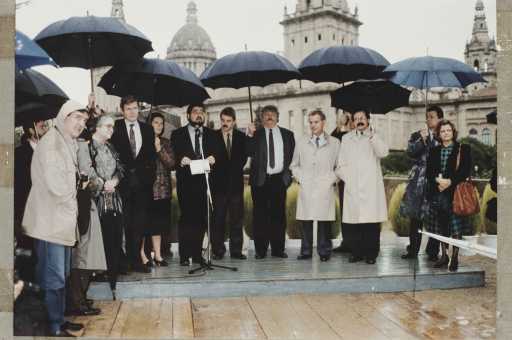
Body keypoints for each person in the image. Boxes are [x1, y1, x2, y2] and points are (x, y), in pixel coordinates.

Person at [22, 100, 89, 337]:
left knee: (62, 274)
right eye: (76, 118)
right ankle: (53, 326)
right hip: (49, 223)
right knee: (54, 275)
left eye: (84, 120)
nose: (81, 124)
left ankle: (59, 319)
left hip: (60, 222)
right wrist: (75, 189)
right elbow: (56, 186)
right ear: (63, 117)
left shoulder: (64, 141)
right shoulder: (52, 143)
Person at [77, 115, 125, 300]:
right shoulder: (86, 147)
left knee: (114, 241)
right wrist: (102, 184)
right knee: (97, 244)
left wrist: (114, 181)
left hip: (114, 201)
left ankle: (112, 284)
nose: (111, 130)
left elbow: (121, 168)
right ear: (96, 128)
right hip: (94, 203)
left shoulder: (110, 147)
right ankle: (88, 290)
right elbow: (86, 172)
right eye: (107, 126)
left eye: (112, 127)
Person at [171, 104, 222, 266]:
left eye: (201, 112)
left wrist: (214, 158)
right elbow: (173, 155)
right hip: (186, 183)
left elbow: (219, 154)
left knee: (201, 219)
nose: (199, 115)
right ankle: (185, 255)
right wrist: (180, 159)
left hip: (205, 183)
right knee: (187, 218)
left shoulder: (212, 134)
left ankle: (197, 254)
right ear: (188, 115)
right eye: (195, 112)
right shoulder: (177, 134)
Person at [335, 109, 389, 264]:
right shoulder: (346, 138)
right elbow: (341, 163)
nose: (359, 121)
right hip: (353, 186)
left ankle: (371, 254)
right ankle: (356, 252)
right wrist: (348, 179)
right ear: (352, 121)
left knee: (371, 223)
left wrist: (372, 136)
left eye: (362, 118)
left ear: (368, 120)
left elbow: (383, 153)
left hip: (371, 187)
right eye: (356, 118)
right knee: (354, 223)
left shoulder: (375, 136)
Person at [110, 95, 157, 273]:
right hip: (121, 185)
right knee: (123, 224)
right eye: (128, 108)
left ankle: (137, 261)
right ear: (122, 110)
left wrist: (149, 178)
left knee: (139, 225)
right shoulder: (115, 128)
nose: (132, 112)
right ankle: (123, 263)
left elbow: (151, 157)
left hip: (142, 186)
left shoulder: (147, 129)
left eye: (135, 108)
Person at [290, 110, 340, 262]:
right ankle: (306, 251)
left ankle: (324, 251)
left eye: (316, 122)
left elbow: (341, 167)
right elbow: (294, 165)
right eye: (310, 122)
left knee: (324, 221)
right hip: (307, 186)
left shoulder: (335, 143)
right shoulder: (301, 142)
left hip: (325, 187)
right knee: (306, 220)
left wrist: (330, 180)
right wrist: (301, 178)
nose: (313, 125)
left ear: (323, 123)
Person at [246, 105, 295, 259]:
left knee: (278, 215)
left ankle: (278, 250)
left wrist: (287, 177)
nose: (269, 116)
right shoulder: (256, 134)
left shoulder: (288, 135)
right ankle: (260, 250)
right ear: (262, 118)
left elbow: (293, 157)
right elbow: (248, 152)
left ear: (277, 117)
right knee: (260, 216)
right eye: (266, 114)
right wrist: (249, 135)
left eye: (272, 114)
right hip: (260, 181)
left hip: (279, 180)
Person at [426, 120, 472, 272]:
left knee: (455, 227)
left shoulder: (463, 149)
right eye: (443, 131)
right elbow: (429, 172)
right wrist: (438, 181)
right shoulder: (433, 151)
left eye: (448, 130)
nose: (446, 133)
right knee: (441, 226)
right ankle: (444, 255)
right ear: (439, 134)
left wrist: (450, 181)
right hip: (438, 193)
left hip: (455, 194)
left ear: (453, 132)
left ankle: (455, 257)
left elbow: (465, 171)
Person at [400, 106, 443, 260]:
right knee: (415, 217)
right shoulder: (417, 135)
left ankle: (432, 251)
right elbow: (410, 152)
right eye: (427, 116)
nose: (428, 119)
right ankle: (413, 249)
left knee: (434, 218)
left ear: (439, 119)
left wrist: (431, 140)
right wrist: (422, 140)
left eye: (431, 116)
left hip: (435, 182)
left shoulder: (443, 135)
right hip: (417, 182)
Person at [211, 107, 248, 260]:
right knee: (218, 219)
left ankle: (236, 251)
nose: (225, 124)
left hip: (235, 186)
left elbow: (244, 158)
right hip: (218, 186)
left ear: (234, 121)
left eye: (228, 121)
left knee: (236, 220)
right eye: (223, 121)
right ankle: (218, 251)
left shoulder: (241, 137)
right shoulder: (212, 136)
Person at [14, 120, 48, 267]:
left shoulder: (48, 151)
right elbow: (20, 183)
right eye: (41, 125)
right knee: (28, 248)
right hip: (27, 207)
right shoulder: (20, 153)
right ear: (30, 129)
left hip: (47, 208)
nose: (45, 127)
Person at [145, 112, 176, 266]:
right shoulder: (143, 141)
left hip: (162, 191)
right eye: (155, 122)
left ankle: (158, 255)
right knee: (145, 225)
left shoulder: (166, 142)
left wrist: (159, 149)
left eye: (161, 123)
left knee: (159, 225)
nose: (159, 125)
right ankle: (144, 256)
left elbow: (171, 163)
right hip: (145, 190)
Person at [330, 112, 353, 253]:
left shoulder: (358, 131)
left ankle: (358, 242)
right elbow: (333, 141)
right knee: (345, 210)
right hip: (344, 178)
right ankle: (347, 242)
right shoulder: (340, 133)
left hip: (358, 177)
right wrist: (340, 126)